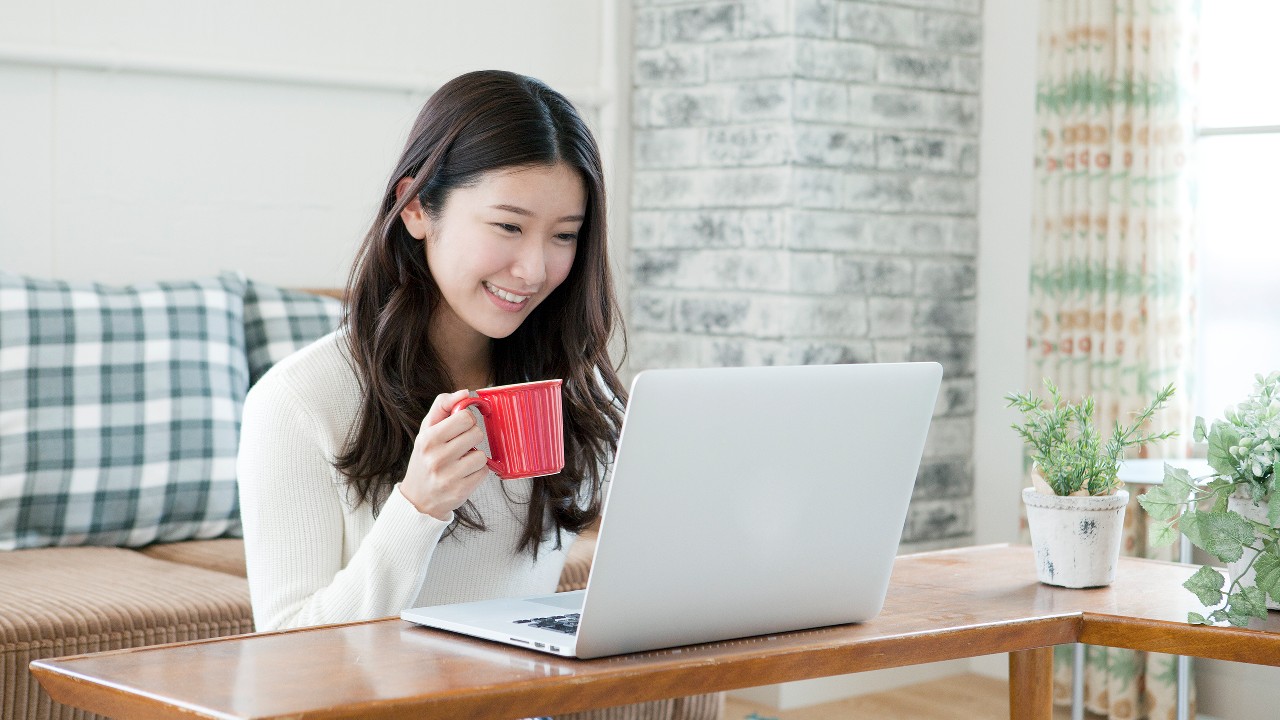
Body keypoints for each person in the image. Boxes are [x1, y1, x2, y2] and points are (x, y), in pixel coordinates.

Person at [236, 69, 627, 633]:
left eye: (564, 235)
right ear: (417, 208)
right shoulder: (299, 400)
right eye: (508, 226)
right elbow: (287, 648)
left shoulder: (567, 386)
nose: (536, 269)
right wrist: (418, 508)